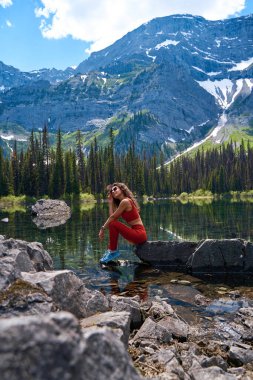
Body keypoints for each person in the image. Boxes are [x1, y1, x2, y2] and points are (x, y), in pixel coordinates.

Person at [99, 182, 147, 264]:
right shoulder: (123, 202)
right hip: (137, 234)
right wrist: (110, 203)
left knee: (113, 223)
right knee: (113, 223)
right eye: (111, 191)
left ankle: (112, 251)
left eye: (115, 189)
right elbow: (112, 218)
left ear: (122, 189)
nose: (113, 191)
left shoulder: (125, 201)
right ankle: (111, 250)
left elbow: (112, 218)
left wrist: (102, 229)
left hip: (139, 234)